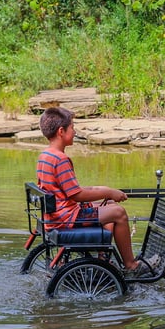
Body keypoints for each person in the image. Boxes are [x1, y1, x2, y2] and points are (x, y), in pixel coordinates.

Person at [36, 106, 148, 274]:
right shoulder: (61, 159)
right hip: (67, 218)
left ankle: (103, 259)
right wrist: (108, 191)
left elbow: (71, 190)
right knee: (119, 212)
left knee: (109, 204)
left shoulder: (45, 156)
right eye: (72, 127)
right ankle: (131, 265)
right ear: (61, 131)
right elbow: (77, 195)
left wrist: (106, 191)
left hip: (58, 215)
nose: (74, 132)